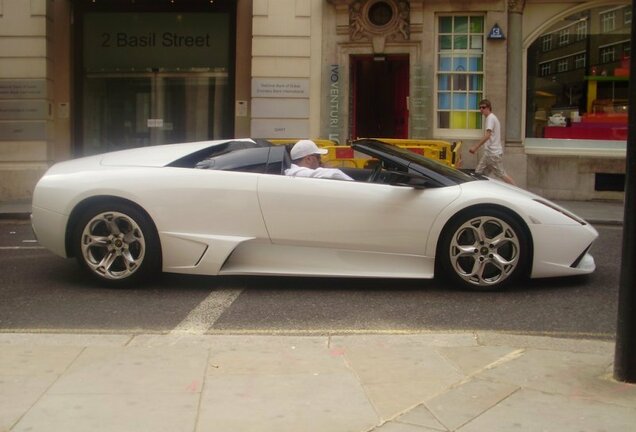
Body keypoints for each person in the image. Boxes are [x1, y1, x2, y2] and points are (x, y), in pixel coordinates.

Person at [469, 99, 516, 185]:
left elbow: (488, 135)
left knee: (501, 174)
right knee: (479, 174)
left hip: (493, 154)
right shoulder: (492, 118)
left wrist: (475, 147)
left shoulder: (490, 118)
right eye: (480, 108)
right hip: (489, 153)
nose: (481, 110)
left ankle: (518, 191)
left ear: (489, 108)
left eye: (483, 107)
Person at [285, 139, 354, 180]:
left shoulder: (294, 172)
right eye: (318, 157)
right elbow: (334, 174)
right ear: (308, 159)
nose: (321, 161)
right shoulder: (297, 173)